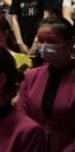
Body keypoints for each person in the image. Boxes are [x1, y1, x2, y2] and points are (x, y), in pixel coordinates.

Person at [17, 17, 75, 151]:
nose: (44, 46)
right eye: (40, 41)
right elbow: (21, 117)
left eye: (51, 41)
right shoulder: (30, 76)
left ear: (70, 42)